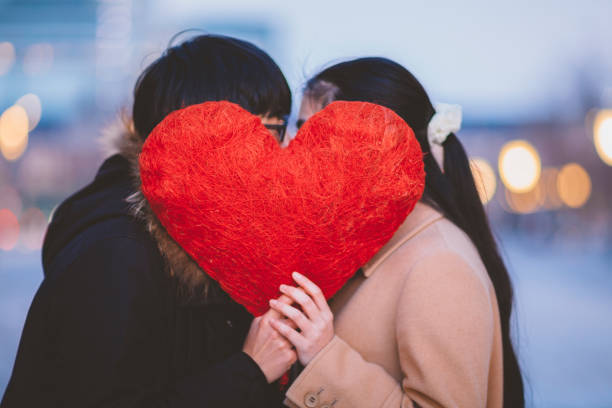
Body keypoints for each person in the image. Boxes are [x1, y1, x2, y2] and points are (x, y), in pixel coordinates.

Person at [1, 34, 295, 408]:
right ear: (204, 133)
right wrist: (249, 369)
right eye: (271, 130)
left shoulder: (204, 233)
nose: (282, 150)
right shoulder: (117, 253)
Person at [266, 57, 525, 407]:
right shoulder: (367, 244)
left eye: (313, 131)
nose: (294, 150)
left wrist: (325, 358)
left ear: (378, 142)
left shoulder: (440, 265)